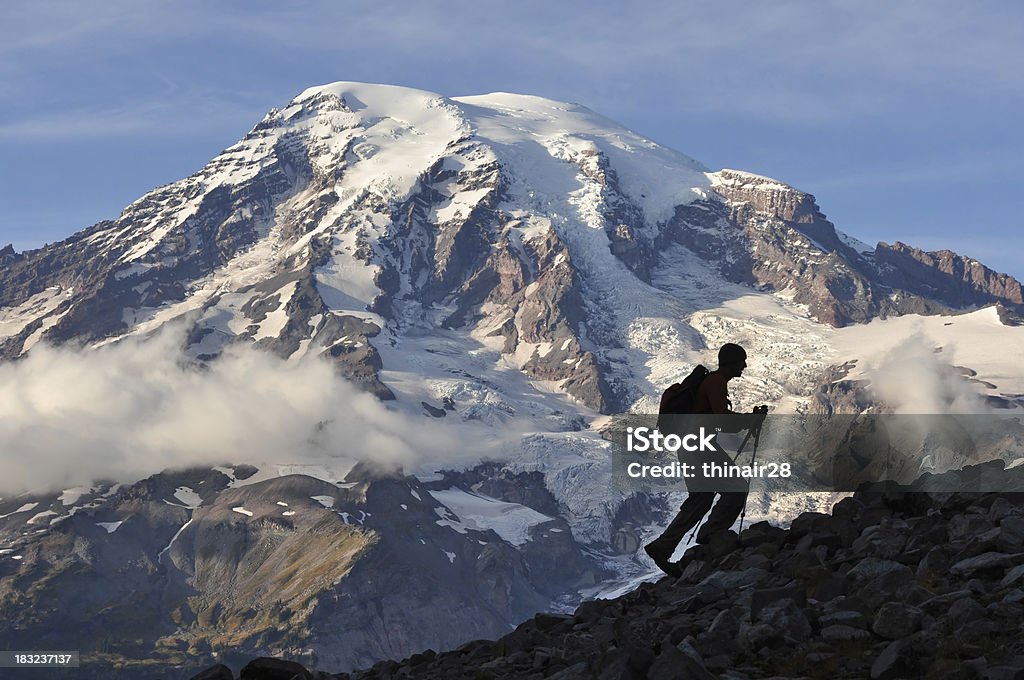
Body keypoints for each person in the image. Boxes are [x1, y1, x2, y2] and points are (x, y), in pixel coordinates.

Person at [643, 342, 767, 577]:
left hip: (692, 446)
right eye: (741, 361)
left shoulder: (712, 382)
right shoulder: (716, 383)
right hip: (700, 447)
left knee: (700, 499)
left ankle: (663, 546)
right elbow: (721, 420)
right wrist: (750, 420)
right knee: (736, 488)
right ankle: (711, 535)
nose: (744, 366)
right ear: (731, 363)